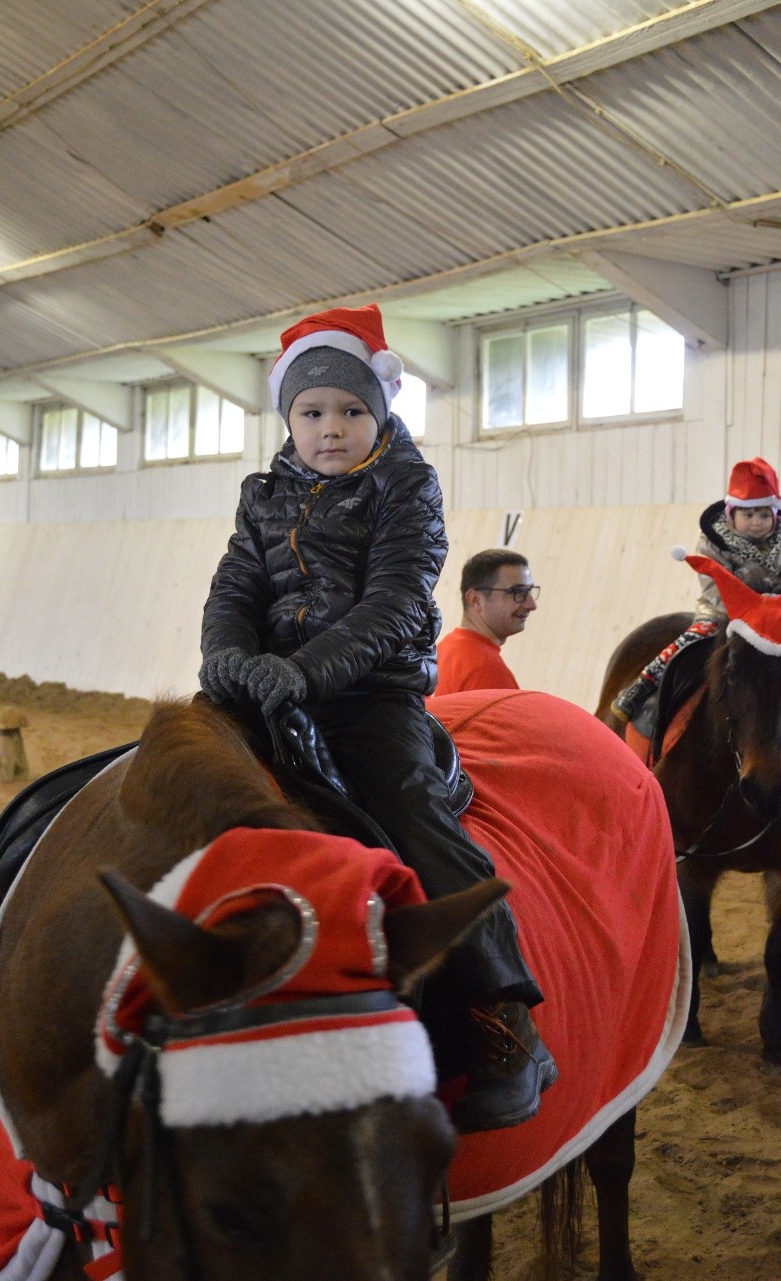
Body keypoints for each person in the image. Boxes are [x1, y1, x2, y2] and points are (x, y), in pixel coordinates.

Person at [199, 303, 556, 1133]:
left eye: (353, 411)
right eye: (314, 412)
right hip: (263, 685)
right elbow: (232, 594)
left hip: (371, 693)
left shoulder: (408, 484)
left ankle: (507, 1016)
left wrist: (305, 670)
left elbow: (398, 601)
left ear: (381, 412)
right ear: (288, 419)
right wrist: (227, 662)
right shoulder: (262, 495)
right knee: (169, 781)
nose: (333, 428)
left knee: (411, 807)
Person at [612, 456, 781, 723]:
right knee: (692, 638)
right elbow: (715, 587)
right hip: (723, 611)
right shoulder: (713, 544)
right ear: (732, 514)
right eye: (748, 514)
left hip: (773, 619)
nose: (757, 522)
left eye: (764, 514)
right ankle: (644, 683)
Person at [434, 549, 539, 695]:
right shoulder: (486, 670)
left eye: (530, 591)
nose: (531, 605)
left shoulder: (444, 649)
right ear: (475, 599)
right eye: (518, 592)